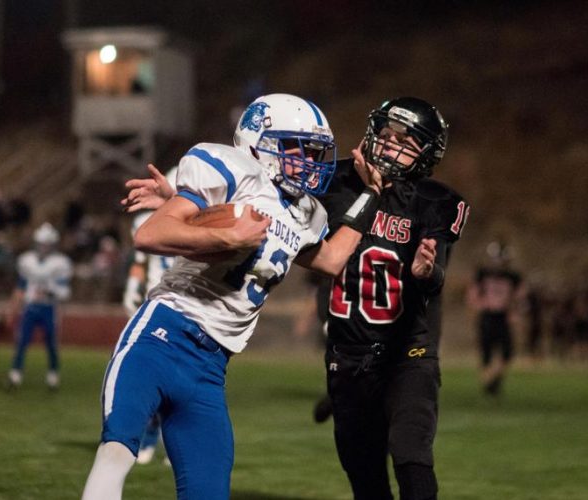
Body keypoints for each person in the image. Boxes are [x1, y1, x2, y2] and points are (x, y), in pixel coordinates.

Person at [82, 93, 382, 500]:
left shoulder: (307, 213)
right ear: (260, 142)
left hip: (211, 367)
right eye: (297, 148)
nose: (309, 162)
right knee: (117, 451)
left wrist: (372, 197)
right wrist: (218, 227)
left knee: (209, 490)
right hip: (161, 336)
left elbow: (330, 259)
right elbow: (149, 234)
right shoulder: (231, 169)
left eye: (314, 152)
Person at [318, 97, 468, 500]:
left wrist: (426, 272)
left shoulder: (435, 200)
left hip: (407, 354)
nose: (389, 146)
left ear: (426, 154)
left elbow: (434, 278)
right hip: (346, 353)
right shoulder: (335, 181)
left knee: (410, 451)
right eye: (385, 136)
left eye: (405, 142)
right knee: (364, 475)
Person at [121, 166, 178, 465]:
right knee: (151, 377)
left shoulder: (201, 216)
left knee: (181, 381)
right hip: (155, 300)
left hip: (186, 304)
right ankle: (151, 435)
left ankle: (175, 444)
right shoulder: (146, 218)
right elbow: (140, 260)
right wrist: (132, 286)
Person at [6, 222, 72, 390]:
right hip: (30, 306)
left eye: (47, 244)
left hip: (49, 307)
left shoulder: (60, 263)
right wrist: (13, 308)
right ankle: (15, 373)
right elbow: (20, 287)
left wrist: (50, 292)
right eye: (41, 244)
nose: (44, 247)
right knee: (22, 340)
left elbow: (65, 291)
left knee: (51, 342)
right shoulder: (26, 260)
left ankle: (53, 373)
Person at [468, 241, 522, 396]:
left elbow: (519, 296)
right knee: (486, 351)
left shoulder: (513, 277)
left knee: (507, 351)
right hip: (487, 315)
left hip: (503, 316)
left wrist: (514, 312)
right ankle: (488, 383)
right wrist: (477, 306)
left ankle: (493, 380)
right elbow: (473, 294)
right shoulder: (483, 274)